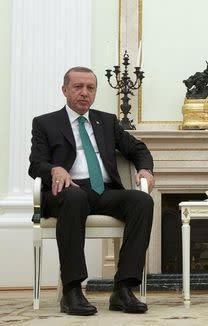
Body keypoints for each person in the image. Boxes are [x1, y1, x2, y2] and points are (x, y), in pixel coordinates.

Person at [29, 66, 155, 316]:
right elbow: (35, 163)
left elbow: (137, 148)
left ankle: (123, 288)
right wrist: (55, 169)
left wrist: (146, 170)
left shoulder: (106, 121)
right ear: (64, 90)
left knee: (142, 201)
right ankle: (72, 290)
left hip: (104, 191)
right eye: (78, 87)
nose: (84, 93)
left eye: (90, 88)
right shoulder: (45, 123)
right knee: (75, 197)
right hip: (66, 192)